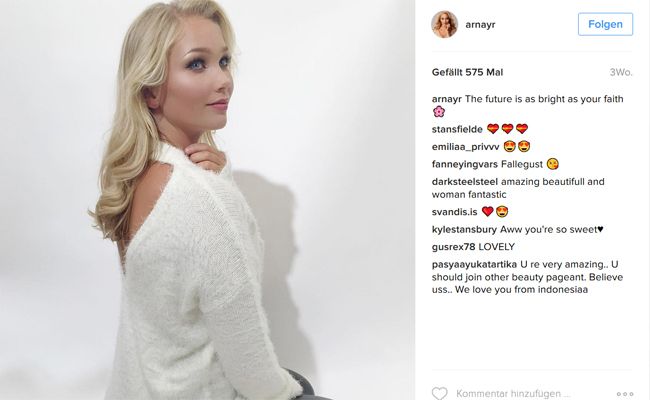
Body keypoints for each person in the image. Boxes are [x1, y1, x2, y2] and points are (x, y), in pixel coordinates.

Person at [88, 1, 331, 399]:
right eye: (197, 64)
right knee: (298, 385)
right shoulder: (203, 202)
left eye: (224, 61)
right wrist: (292, 390)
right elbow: (251, 372)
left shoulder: (139, 176)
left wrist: (220, 178)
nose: (224, 81)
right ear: (151, 91)